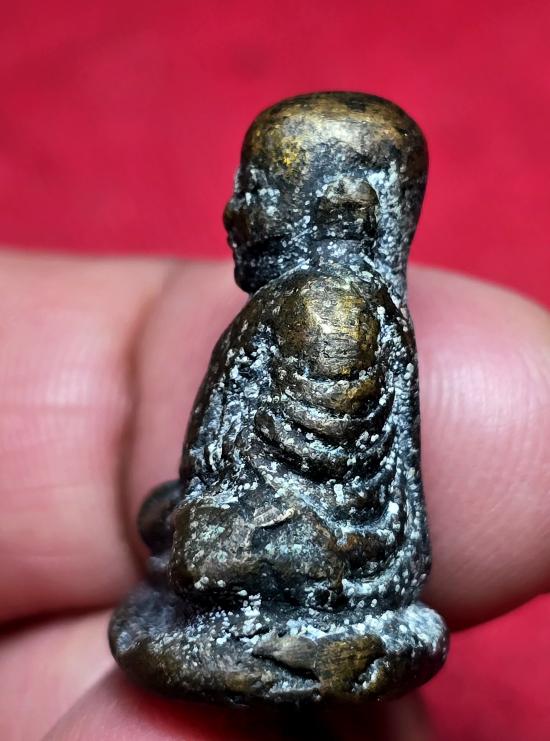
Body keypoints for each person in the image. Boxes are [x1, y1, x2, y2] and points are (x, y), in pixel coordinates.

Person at [0, 249, 549, 740]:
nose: (237, 215)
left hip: (308, 533)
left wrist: (225, 515)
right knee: (160, 515)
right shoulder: (337, 301)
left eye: (254, 193)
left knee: (196, 553)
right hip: (321, 531)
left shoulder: (322, 304)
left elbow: (302, 467)